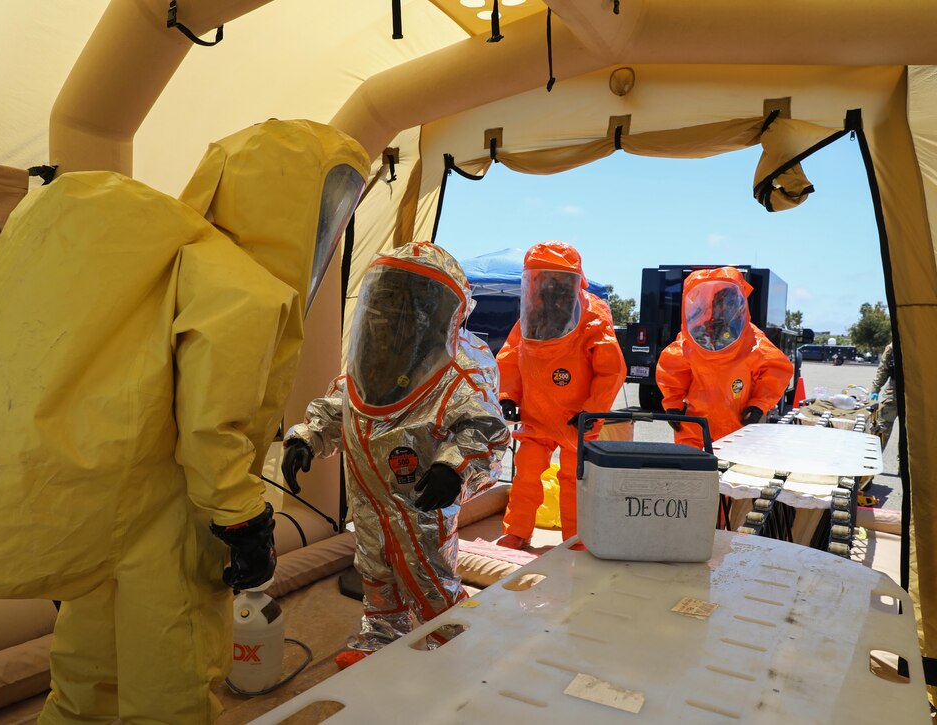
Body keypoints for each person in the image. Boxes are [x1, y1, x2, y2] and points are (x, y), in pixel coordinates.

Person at [0, 120, 369, 723]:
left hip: (111, 511)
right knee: (172, 680)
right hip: (175, 521)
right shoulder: (247, 289)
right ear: (296, 199)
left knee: (87, 671)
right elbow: (210, 428)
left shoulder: (174, 261)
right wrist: (243, 517)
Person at [281, 242, 509, 653]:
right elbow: (338, 408)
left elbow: (485, 430)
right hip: (369, 496)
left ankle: (450, 643)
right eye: (384, 300)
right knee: (374, 569)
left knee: (428, 574)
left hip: (421, 500)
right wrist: (305, 438)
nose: (391, 316)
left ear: (438, 313)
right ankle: (381, 637)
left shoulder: (457, 371)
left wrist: (451, 468)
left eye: (407, 303)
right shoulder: (370, 366)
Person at [494, 241, 627, 550]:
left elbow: (611, 371)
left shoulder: (594, 319)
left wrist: (592, 411)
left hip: (576, 419)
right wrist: (507, 397)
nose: (551, 289)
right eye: (543, 280)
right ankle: (517, 531)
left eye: (558, 281)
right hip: (536, 416)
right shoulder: (532, 317)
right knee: (526, 475)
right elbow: (512, 355)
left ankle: (575, 538)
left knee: (575, 479)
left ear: (574, 282)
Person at [656, 266, 794, 449]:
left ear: (739, 305)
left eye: (730, 303)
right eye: (720, 302)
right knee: (691, 469)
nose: (724, 308)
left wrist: (759, 405)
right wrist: (673, 404)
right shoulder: (695, 337)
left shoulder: (752, 340)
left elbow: (776, 371)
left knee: (731, 471)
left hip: (736, 422)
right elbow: (672, 369)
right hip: (695, 423)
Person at [871, 342, 898, 450]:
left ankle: (905, 465)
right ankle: (874, 457)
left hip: (916, 393)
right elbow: (884, 369)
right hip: (894, 393)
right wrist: (875, 389)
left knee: (912, 435)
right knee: (882, 427)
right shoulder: (893, 347)